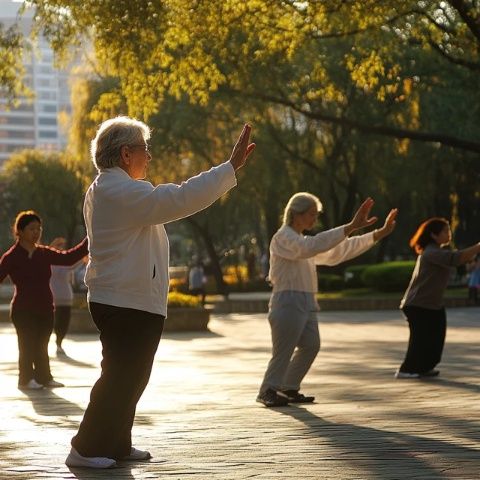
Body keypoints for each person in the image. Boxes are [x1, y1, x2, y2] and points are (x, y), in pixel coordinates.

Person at [65, 116, 255, 469]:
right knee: (120, 377)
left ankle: (117, 443)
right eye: (144, 149)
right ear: (125, 153)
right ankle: (86, 448)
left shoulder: (115, 189)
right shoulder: (116, 190)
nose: (148, 157)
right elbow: (179, 198)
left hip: (130, 299)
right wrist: (228, 169)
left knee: (132, 377)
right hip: (123, 300)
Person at [256, 193, 397, 407]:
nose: (315, 219)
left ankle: (288, 386)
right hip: (287, 301)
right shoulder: (283, 238)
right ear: (296, 213)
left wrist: (378, 234)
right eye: (311, 214)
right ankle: (268, 389)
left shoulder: (302, 241)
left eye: (316, 214)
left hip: (306, 301)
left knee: (311, 345)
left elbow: (337, 251)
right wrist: (350, 226)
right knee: (283, 351)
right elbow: (311, 247)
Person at [0, 211, 88, 390]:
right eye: (32, 229)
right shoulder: (12, 256)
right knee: (26, 345)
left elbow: (69, 258)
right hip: (23, 309)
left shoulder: (43, 253)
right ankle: (25, 379)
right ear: (20, 231)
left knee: (42, 345)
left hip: (46, 308)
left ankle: (45, 378)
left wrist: (90, 239)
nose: (36, 232)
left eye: (39, 229)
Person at [396, 218, 480, 379]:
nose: (448, 233)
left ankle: (424, 367)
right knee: (420, 340)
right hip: (418, 304)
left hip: (432, 304)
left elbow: (457, 260)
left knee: (435, 338)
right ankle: (407, 369)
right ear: (434, 235)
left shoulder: (438, 251)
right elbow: (455, 259)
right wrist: (477, 247)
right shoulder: (431, 252)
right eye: (445, 231)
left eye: (448, 230)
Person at [50, 237, 86, 356]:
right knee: (55, 321)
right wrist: (81, 259)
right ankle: (56, 341)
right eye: (58, 247)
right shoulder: (50, 262)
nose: (60, 249)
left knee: (64, 322)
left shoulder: (65, 262)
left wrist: (82, 259)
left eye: (61, 247)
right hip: (54, 297)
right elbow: (71, 266)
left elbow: (72, 266)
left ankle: (59, 342)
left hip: (66, 297)